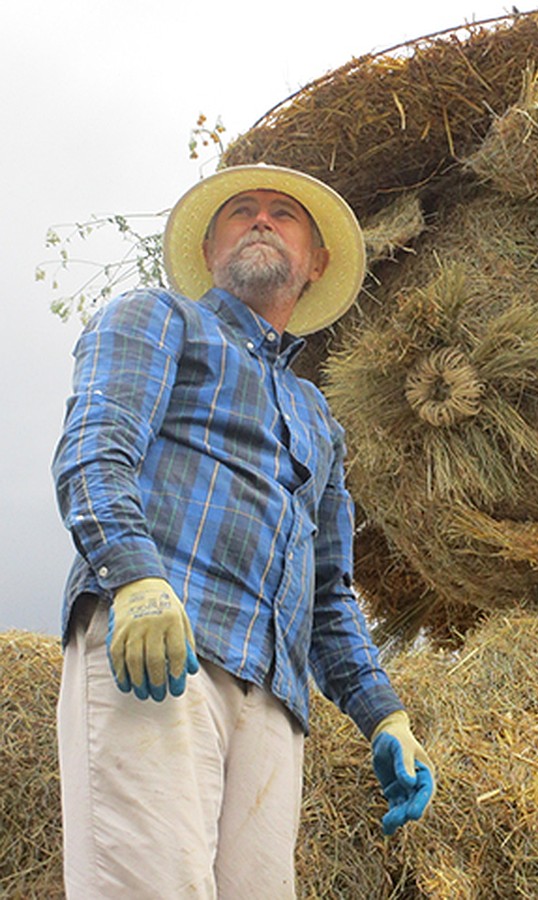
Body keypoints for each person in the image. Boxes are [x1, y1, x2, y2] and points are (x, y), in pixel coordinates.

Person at [53, 164, 434, 897]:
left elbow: (328, 594)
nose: (261, 220)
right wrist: (135, 577)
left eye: (283, 213)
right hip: (161, 650)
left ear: (316, 263)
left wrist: (385, 714)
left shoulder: (318, 418)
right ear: (211, 248)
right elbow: (95, 448)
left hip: (274, 703)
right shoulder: (158, 318)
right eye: (242, 212)